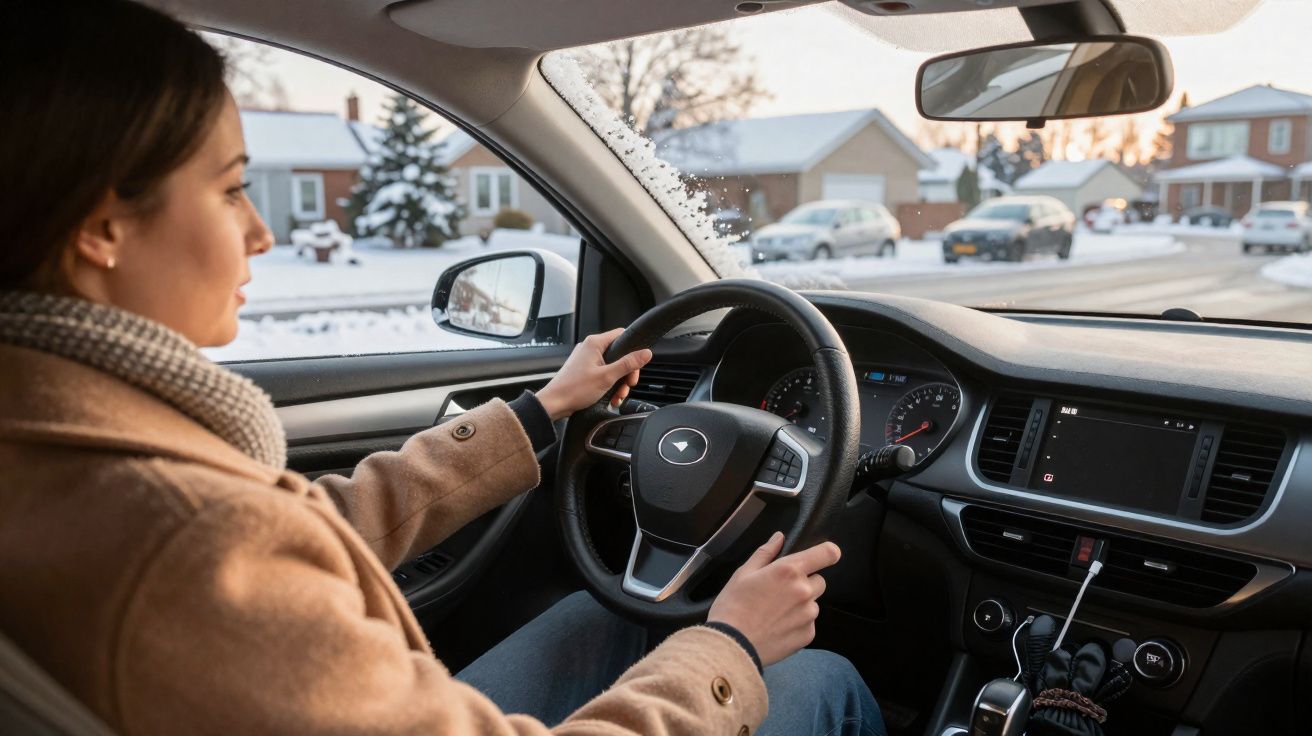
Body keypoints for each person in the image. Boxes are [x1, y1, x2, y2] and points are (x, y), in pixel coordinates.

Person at [0, 1, 885, 735]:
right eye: (231, 189)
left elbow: (310, 525)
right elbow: (241, 543)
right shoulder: (181, 536)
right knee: (822, 683)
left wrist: (541, 414)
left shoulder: (63, 439)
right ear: (102, 228)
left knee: (601, 615)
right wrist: (729, 649)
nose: (261, 233)